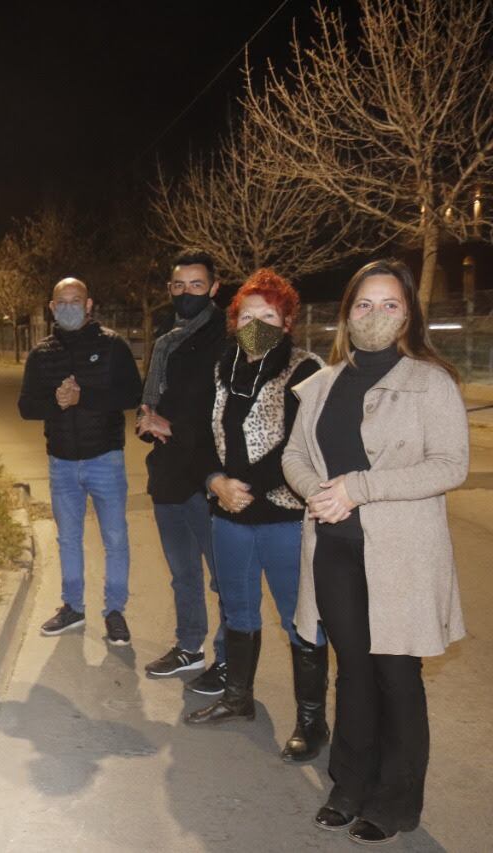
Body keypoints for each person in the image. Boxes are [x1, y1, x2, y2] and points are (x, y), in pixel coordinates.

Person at [283, 259, 467, 845]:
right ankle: (349, 783)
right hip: (334, 552)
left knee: (396, 677)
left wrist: (358, 489)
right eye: (365, 303)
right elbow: (294, 457)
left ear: (408, 313)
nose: (376, 313)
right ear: (347, 312)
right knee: (352, 673)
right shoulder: (320, 385)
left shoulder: (431, 382)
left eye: (390, 304)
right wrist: (320, 494)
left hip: (402, 559)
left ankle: (396, 800)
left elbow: (450, 465)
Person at [183, 270, 327, 765]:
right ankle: (238, 698)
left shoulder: (307, 370)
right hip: (229, 516)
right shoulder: (221, 368)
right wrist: (215, 482)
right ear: (234, 320)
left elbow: (303, 443)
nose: (257, 324)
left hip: (285, 516)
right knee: (238, 611)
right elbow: (199, 438)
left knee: (299, 619)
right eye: (248, 315)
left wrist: (250, 486)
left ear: (287, 321)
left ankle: (312, 721)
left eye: (268, 315)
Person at [19, 278, 142, 643]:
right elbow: (26, 407)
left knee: (115, 536)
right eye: (62, 301)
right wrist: (55, 402)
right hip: (61, 461)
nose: (70, 306)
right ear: (52, 307)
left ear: (89, 305)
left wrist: (81, 397)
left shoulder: (113, 345)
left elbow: (131, 393)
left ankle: (115, 610)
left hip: (105, 457)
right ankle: (72, 605)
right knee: (68, 539)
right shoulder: (41, 354)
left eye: (77, 300)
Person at [138, 249, 229, 694]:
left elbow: (235, 410)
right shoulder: (166, 336)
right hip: (170, 474)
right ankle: (189, 647)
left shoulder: (232, 334)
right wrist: (148, 418)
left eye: (196, 285)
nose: (186, 293)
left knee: (224, 576)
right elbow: (155, 397)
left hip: (210, 475)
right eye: (178, 286)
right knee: (183, 573)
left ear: (214, 287)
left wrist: (173, 426)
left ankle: (231, 659)